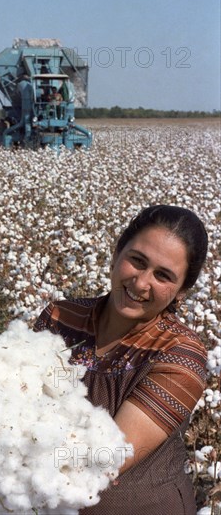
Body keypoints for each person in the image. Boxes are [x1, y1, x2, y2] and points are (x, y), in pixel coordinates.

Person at [34, 205, 208, 515]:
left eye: (163, 275)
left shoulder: (181, 355)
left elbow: (103, 460)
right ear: (117, 253)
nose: (141, 283)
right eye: (137, 261)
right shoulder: (60, 317)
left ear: (181, 293)